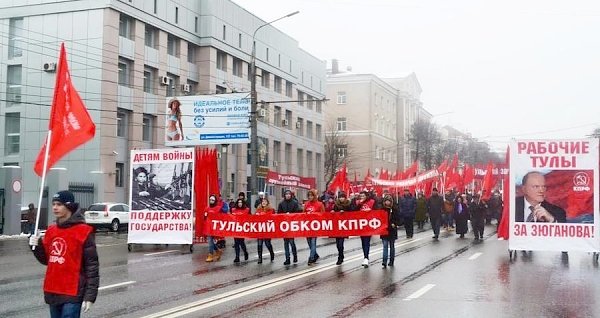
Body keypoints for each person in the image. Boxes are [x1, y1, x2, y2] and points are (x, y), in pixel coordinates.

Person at [29, 190, 99, 317]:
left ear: (69, 206)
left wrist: (90, 295)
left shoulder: (83, 231)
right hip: (53, 289)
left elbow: (92, 266)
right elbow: (47, 260)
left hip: (72, 292)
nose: (55, 207)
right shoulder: (51, 230)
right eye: (54, 204)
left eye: (59, 204)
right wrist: (36, 246)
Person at [332, 192, 357, 265]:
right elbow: (332, 212)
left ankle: (340, 257)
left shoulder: (348, 205)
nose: (341, 198)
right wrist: (333, 212)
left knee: (340, 244)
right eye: (340, 197)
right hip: (337, 227)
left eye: (342, 197)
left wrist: (345, 212)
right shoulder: (336, 205)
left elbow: (352, 213)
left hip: (344, 227)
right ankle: (341, 255)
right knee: (337, 244)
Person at [277, 190, 300, 265]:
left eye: (289, 194)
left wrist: (290, 215)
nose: (288, 195)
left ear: (291, 195)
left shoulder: (294, 203)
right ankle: (287, 258)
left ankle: (295, 256)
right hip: (284, 226)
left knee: (292, 242)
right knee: (286, 243)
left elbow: (297, 213)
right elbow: (279, 214)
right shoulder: (281, 203)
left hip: (292, 225)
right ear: (284, 195)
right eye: (286, 194)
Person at [204, 194, 229, 262]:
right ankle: (213, 253)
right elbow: (205, 217)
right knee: (210, 241)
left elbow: (224, 215)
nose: (211, 201)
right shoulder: (207, 208)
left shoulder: (218, 208)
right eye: (210, 200)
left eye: (212, 200)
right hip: (209, 228)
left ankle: (211, 254)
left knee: (211, 241)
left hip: (215, 228)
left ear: (215, 201)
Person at [303, 189, 324, 265]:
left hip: (315, 226)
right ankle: (315, 255)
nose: (310, 197)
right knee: (309, 242)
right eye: (309, 196)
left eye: (311, 195)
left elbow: (323, 214)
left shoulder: (319, 204)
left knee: (313, 242)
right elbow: (303, 214)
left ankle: (311, 258)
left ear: (314, 196)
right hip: (307, 226)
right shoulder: (306, 204)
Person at [355, 191, 375, 268]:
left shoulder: (372, 202)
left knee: (367, 241)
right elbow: (353, 211)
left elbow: (378, 211)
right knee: (363, 241)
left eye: (363, 195)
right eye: (361, 196)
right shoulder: (358, 203)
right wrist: (360, 204)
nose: (362, 197)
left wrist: (371, 211)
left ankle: (366, 257)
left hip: (369, 225)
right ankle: (365, 256)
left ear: (366, 196)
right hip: (361, 225)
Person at [380, 195, 401, 268]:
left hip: (392, 231)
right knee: (385, 246)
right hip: (384, 230)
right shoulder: (382, 210)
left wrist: (394, 224)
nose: (387, 202)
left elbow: (398, 219)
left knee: (392, 246)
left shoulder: (394, 209)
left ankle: (391, 261)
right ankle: (384, 261)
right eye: (386, 201)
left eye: (389, 201)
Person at [255, 198, 275, 264]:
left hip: (267, 229)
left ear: (267, 202)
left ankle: (271, 253)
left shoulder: (270, 209)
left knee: (267, 243)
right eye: (262, 201)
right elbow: (254, 217)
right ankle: (260, 258)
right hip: (260, 229)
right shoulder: (258, 209)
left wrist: (262, 214)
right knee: (259, 243)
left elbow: (270, 216)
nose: (263, 202)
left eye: (265, 201)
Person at [230, 199, 250, 263]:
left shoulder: (246, 210)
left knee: (241, 242)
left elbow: (251, 218)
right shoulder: (233, 210)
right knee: (236, 243)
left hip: (242, 228)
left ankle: (245, 252)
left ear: (243, 203)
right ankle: (237, 257)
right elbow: (230, 217)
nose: (240, 203)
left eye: (241, 202)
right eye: (238, 202)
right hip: (236, 228)